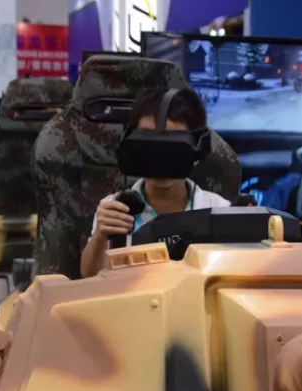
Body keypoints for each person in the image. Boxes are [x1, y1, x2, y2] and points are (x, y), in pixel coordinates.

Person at [80, 88, 230, 278]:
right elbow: (90, 277)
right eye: (149, 147)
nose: (160, 160)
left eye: (173, 150)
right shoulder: (115, 208)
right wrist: (100, 237)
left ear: (197, 150)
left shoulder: (218, 209)